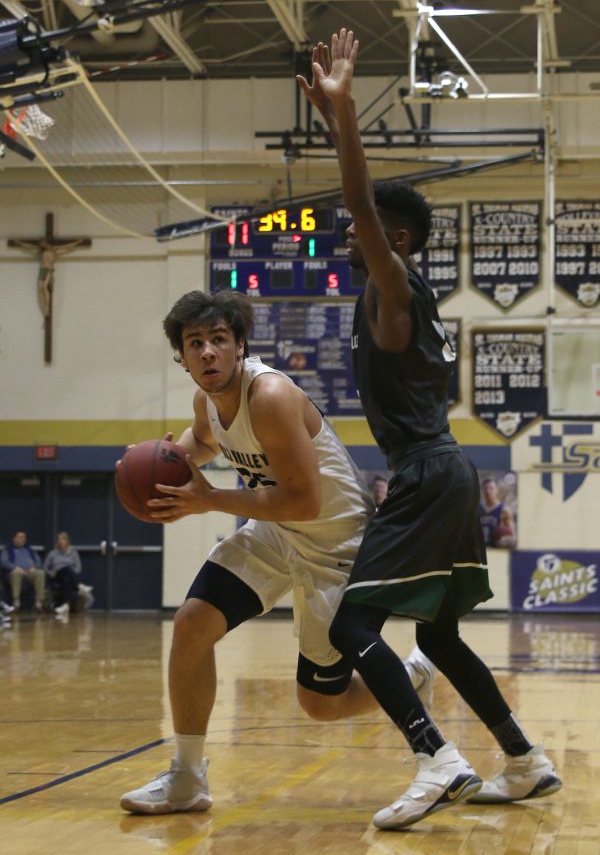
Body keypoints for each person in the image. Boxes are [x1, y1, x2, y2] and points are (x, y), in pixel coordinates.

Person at [298, 28, 561, 830]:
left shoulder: (396, 286)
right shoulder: (408, 303)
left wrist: (343, 120)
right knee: (440, 639)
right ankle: (523, 760)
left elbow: (359, 206)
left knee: (350, 624)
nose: (353, 235)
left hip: (423, 472)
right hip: (447, 470)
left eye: (368, 230)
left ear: (397, 240)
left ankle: (435, 757)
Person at [119, 289, 435, 815]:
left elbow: (305, 499)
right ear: (182, 357)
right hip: (280, 529)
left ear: (240, 346)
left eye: (219, 340)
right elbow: (202, 444)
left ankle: (411, 677)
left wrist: (211, 500)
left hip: (336, 544)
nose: (208, 353)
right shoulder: (207, 402)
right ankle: (188, 776)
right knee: (193, 622)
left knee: (319, 704)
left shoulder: (269, 396)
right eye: (195, 343)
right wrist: (158, 457)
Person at [0, 530, 45, 612]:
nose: (23, 539)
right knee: (16, 573)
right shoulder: (7, 549)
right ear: (14, 539)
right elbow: (4, 561)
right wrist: (15, 568)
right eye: (20, 537)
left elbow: (39, 562)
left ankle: (39, 602)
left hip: (30, 572)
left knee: (40, 573)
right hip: (15, 572)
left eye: (24, 538)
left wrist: (34, 567)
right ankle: (16, 601)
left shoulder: (30, 550)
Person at [44, 531, 83, 615]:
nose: (61, 541)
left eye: (63, 539)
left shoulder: (73, 552)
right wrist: (51, 573)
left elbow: (78, 567)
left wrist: (73, 574)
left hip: (69, 577)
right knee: (66, 569)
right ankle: (79, 586)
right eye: (59, 539)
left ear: (67, 541)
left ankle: (66, 605)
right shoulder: (53, 553)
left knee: (67, 578)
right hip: (57, 575)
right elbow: (45, 567)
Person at [479, 477, 516, 548]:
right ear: (482, 491)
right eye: (485, 488)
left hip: (495, 548)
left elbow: (511, 533)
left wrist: (505, 539)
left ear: (496, 490)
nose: (488, 491)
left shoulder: (504, 509)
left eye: (491, 488)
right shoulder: (476, 509)